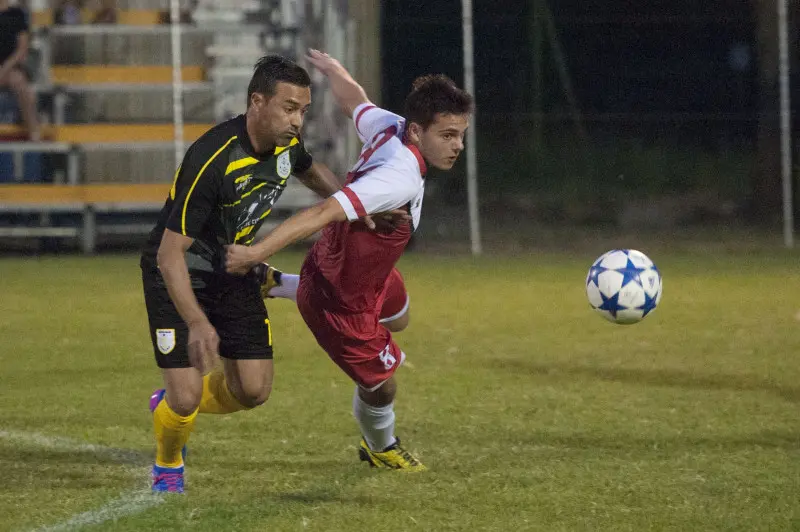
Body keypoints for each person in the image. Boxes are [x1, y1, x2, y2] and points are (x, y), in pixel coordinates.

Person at [226, 49, 473, 471]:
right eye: (448, 135)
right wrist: (255, 252)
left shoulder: (391, 127)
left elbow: (354, 101)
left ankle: (280, 283)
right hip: (343, 300)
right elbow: (320, 212)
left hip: (359, 267)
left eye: (461, 134)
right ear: (418, 131)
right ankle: (380, 446)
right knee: (382, 386)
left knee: (400, 318)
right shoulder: (399, 175)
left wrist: (334, 69)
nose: (458, 146)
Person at [141, 55, 352, 493]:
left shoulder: (285, 148)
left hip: (234, 268)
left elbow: (311, 172)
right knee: (187, 398)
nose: (298, 120)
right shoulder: (212, 158)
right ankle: (168, 463)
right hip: (180, 272)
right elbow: (168, 255)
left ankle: (170, 403)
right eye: (289, 108)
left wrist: (355, 205)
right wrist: (197, 322)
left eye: (304, 110)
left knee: (253, 391)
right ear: (257, 101)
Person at [0, 0, 40, 140]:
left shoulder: (16, 14)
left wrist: (5, 68)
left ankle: (33, 130)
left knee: (19, 82)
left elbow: (22, 48)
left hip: (12, 67)